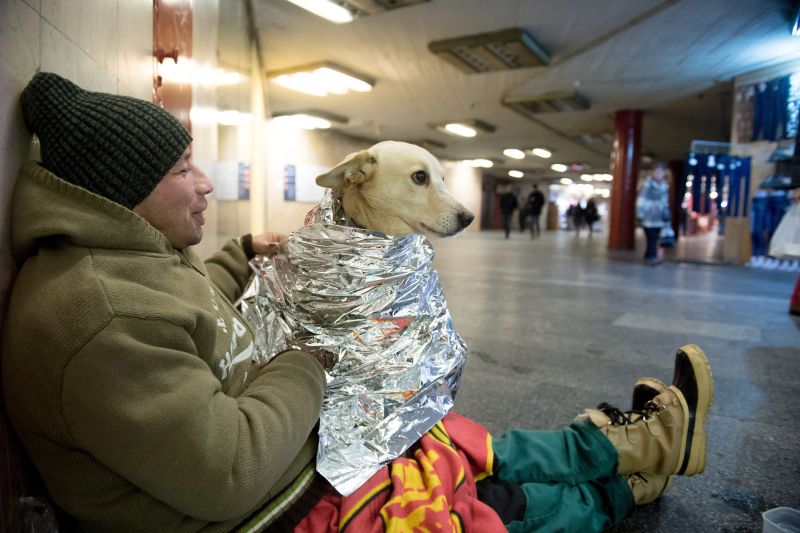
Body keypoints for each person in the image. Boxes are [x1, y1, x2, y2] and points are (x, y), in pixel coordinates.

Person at [3, 73, 713, 533]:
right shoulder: (97, 320)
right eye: (183, 168)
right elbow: (225, 473)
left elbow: (196, 315)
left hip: (279, 459)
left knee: (443, 432)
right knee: (471, 505)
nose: (206, 184)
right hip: (264, 509)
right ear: (122, 188)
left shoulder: (128, 258)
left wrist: (243, 251)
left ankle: (629, 443)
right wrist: (313, 358)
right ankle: (629, 483)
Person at [637, 162, 671, 265]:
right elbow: (641, 199)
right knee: (651, 238)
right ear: (652, 172)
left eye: (661, 172)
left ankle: (649, 256)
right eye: (656, 172)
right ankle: (652, 257)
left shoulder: (664, 185)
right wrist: (640, 214)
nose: (658, 174)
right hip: (648, 215)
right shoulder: (647, 184)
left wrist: (666, 213)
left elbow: (665, 201)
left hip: (659, 217)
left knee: (655, 238)